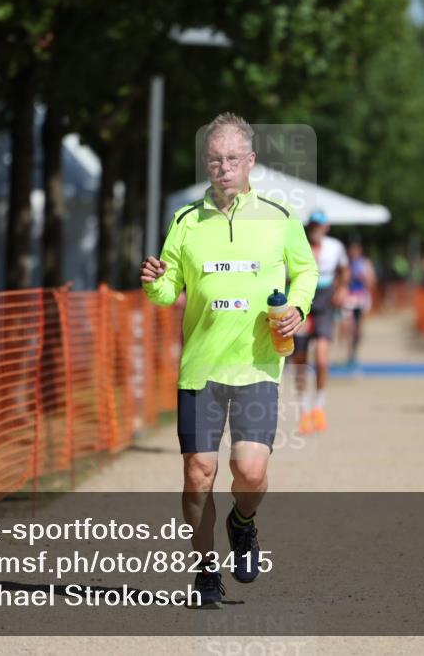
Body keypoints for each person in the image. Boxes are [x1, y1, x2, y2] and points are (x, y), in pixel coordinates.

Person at [140, 113, 318, 607]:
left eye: (232, 158)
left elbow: (306, 272)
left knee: (251, 472)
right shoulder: (185, 221)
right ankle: (205, 573)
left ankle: (243, 521)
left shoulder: (280, 219)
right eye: (215, 159)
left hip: (258, 366)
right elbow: (164, 290)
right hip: (200, 369)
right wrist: (153, 278)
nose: (223, 167)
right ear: (207, 163)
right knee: (198, 474)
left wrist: (298, 309)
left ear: (250, 162)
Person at [291, 210, 348, 434]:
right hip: (303, 304)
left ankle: (319, 406)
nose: (316, 229)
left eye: (320, 225)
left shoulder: (335, 247)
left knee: (322, 359)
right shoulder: (298, 245)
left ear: (326, 228)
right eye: (313, 225)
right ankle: (304, 410)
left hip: (324, 305)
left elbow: (344, 270)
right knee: (301, 361)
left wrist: (342, 288)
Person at [341, 239, 376, 366]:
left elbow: (371, 281)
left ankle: (355, 352)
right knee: (347, 327)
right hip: (349, 298)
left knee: (359, 328)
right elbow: (341, 280)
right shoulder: (346, 263)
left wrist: (364, 278)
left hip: (361, 297)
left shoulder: (365, 263)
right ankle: (349, 353)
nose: (353, 253)